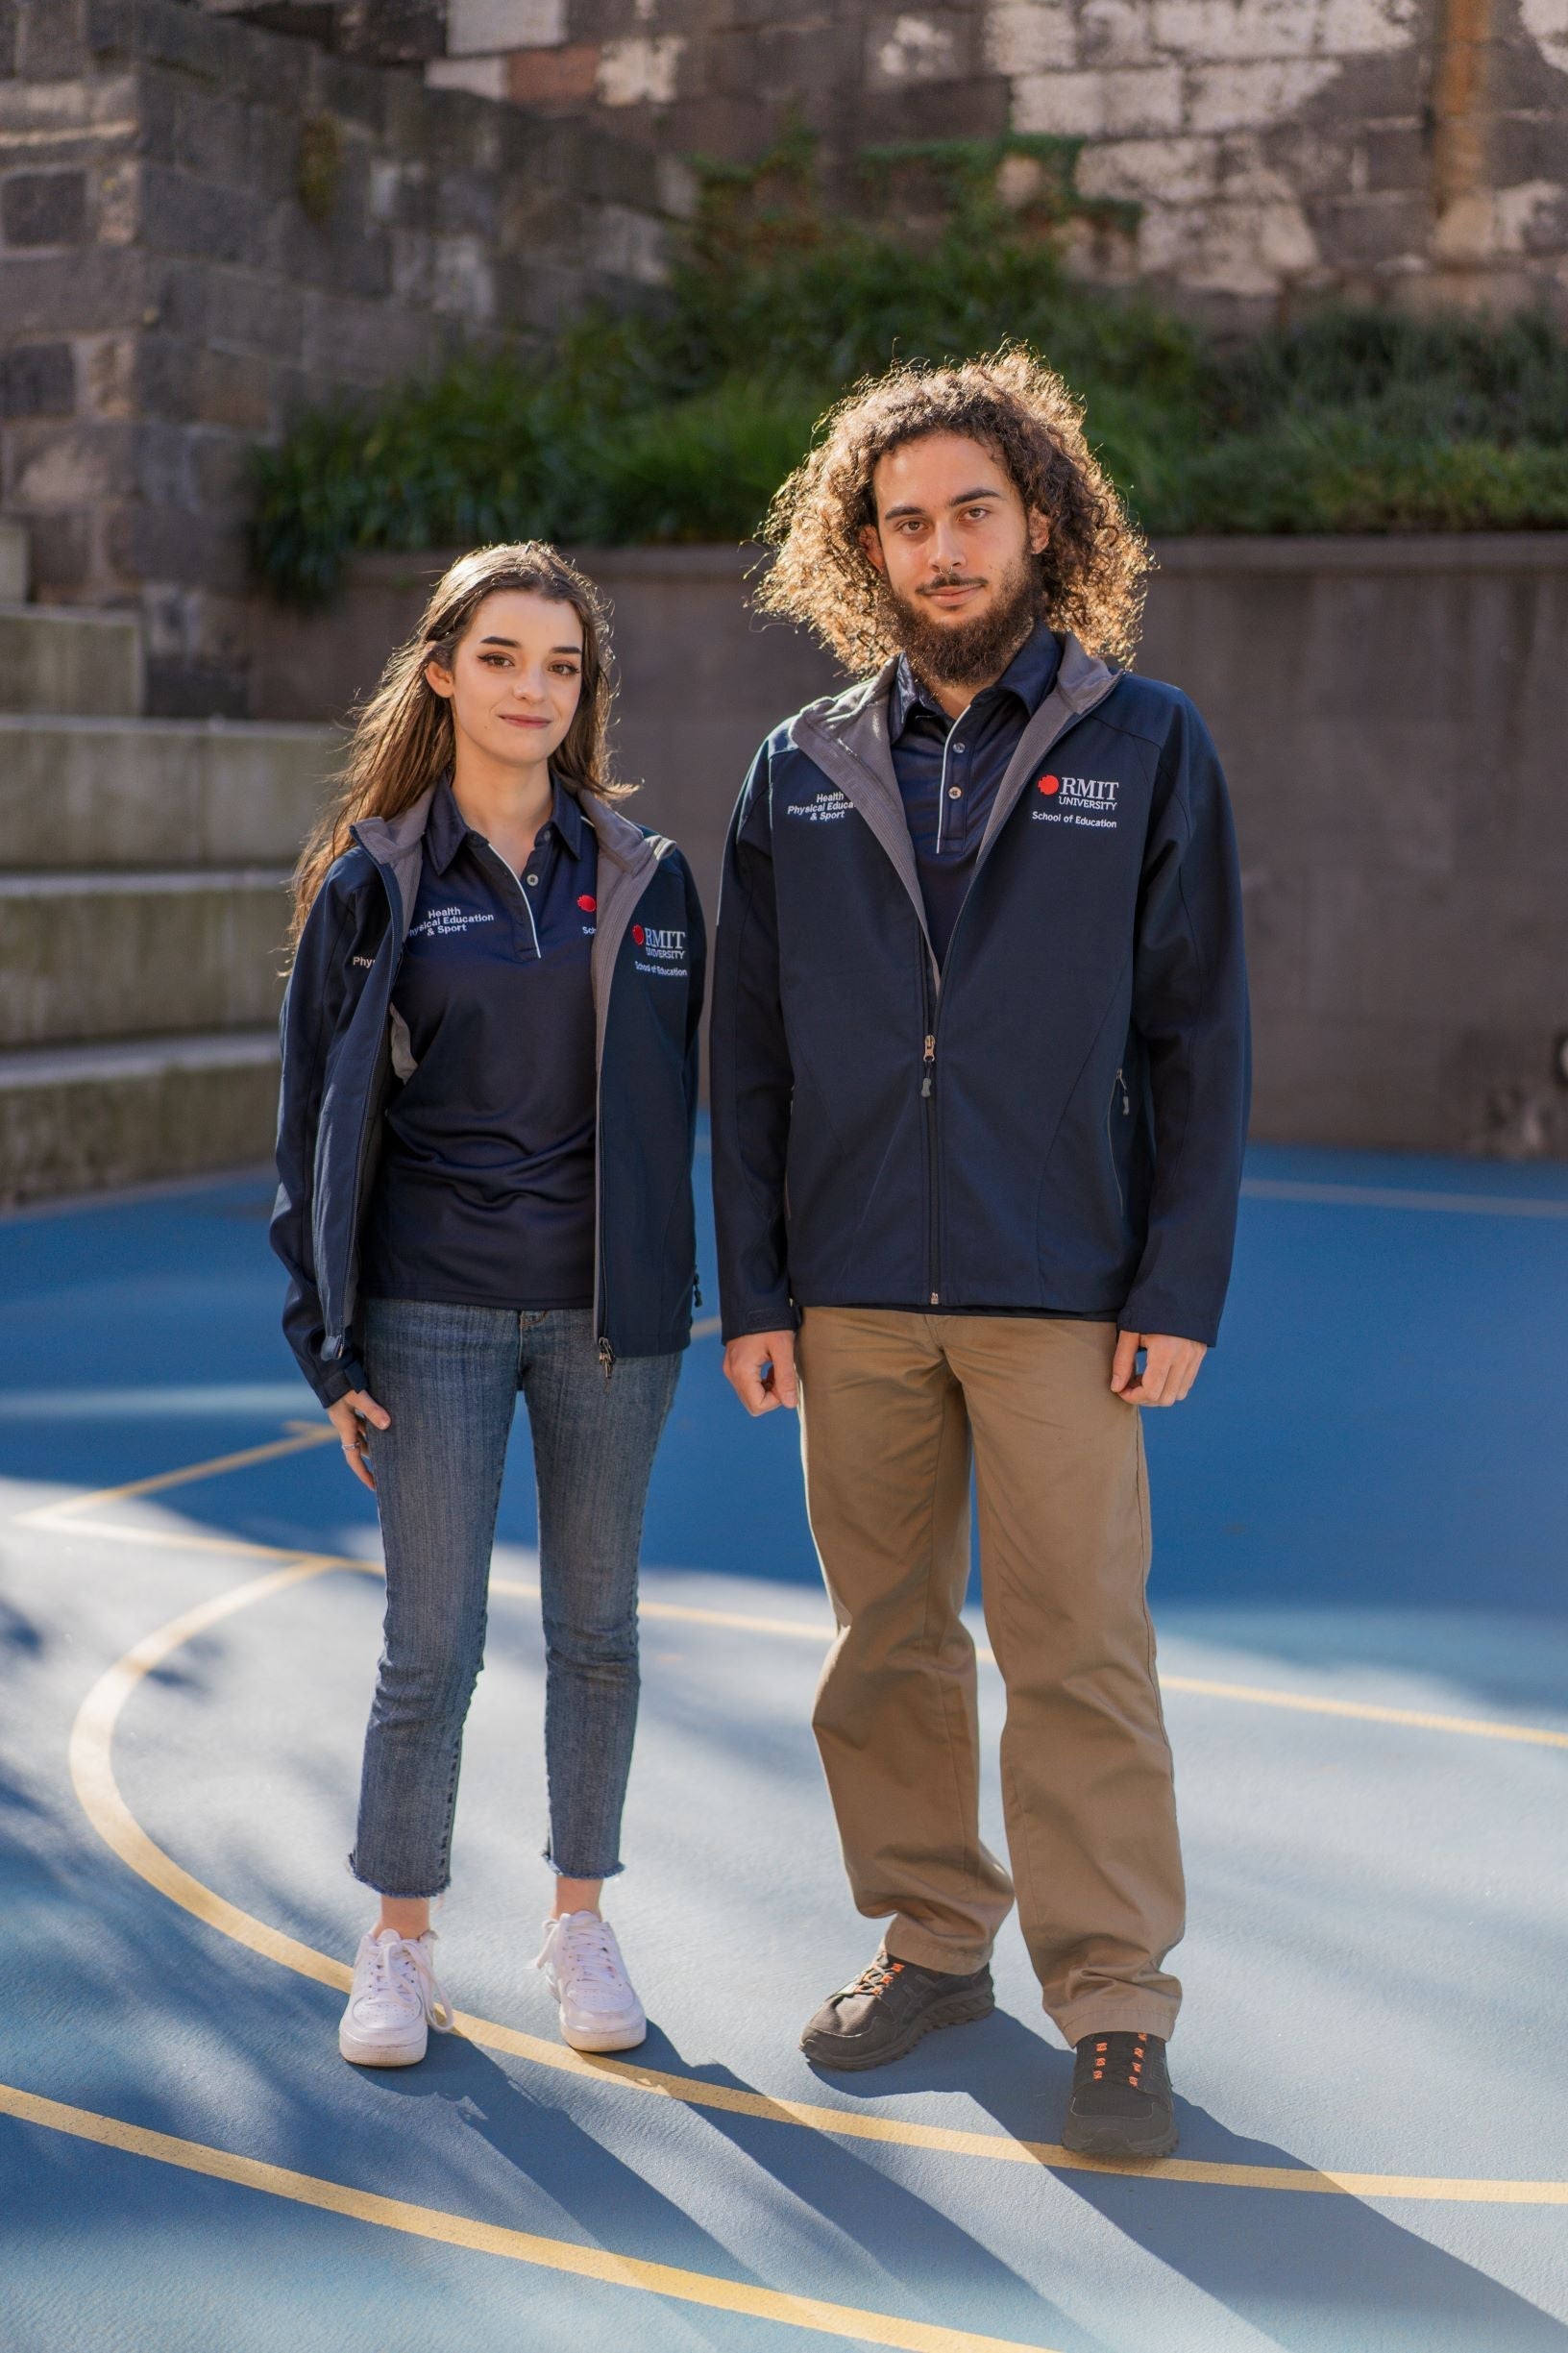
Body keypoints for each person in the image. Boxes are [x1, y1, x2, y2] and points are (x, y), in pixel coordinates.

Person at [710, 352, 1249, 2161]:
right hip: (851, 1283)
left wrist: (1174, 1283)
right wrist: (757, 1287)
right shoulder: (800, 768)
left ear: (1042, 522)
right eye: (907, 519)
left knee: (1079, 1646)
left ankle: (1112, 2001)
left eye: (973, 513)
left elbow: (1199, 1035)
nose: (942, 548)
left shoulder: (1147, 741)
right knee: (886, 1642)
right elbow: (749, 1054)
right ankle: (936, 1940)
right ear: (862, 547)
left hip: (1061, 1288)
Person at [272, 542, 705, 2071]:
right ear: (443, 668)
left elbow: (692, 1099)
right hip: (431, 1311)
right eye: (506, 657)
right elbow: (307, 1128)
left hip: (609, 1324)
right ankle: (397, 1944)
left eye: (564, 665)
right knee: (429, 1644)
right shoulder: (375, 884)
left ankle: (580, 1916)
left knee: (600, 1632)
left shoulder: (646, 877)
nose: (535, 689)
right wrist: (326, 1341)